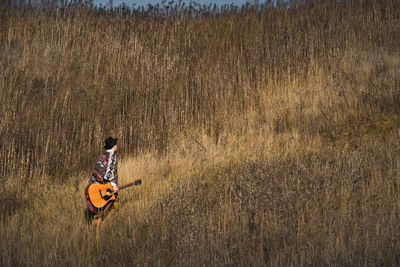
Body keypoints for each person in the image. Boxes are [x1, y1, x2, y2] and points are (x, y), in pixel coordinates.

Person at [85, 136, 119, 224]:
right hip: (104, 188)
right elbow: (109, 173)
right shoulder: (112, 156)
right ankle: (105, 224)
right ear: (114, 146)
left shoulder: (102, 156)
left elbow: (98, 172)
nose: (117, 146)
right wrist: (114, 185)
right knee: (113, 205)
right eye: (116, 144)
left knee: (97, 208)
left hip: (94, 187)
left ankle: (95, 228)